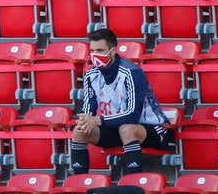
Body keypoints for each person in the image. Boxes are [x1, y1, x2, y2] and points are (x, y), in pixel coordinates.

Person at [70, 28, 171, 175]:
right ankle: (79, 182)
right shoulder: (91, 74)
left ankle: (133, 183)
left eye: (100, 50)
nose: (95, 55)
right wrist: (85, 121)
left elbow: (132, 116)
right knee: (79, 131)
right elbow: (88, 109)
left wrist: (98, 120)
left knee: (127, 129)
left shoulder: (131, 72)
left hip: (152, 129)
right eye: (92, 51)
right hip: (115, 127)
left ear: (113, 51)